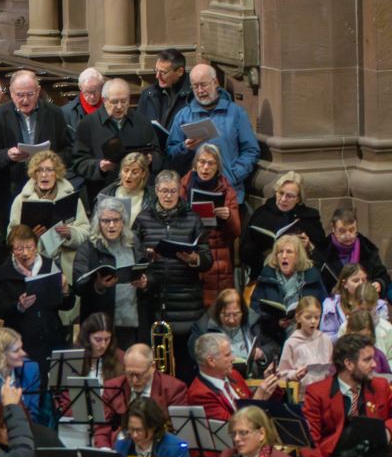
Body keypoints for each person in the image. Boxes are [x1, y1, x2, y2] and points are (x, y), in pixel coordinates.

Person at [302, 333, 392, 457]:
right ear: (349, 363)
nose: (375, 365)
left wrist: (387, 430)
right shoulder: (318, 392)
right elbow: (309, 439)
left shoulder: (380, 386)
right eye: (367, 360)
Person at [134, 168, 212, 374]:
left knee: (185, 363)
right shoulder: (143, 220)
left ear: (180, 192)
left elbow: (207, 258)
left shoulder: (192, 219)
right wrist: (148, 257)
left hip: (186, 298)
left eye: (173, 191)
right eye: (164, 191)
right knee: (158, 366)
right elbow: (134, 256)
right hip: (155, 299)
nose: (168, 196)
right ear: (156, 191)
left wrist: (194, 259)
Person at [7, 149, 91, 328]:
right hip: (35, 268)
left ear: (57, 173)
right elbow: (10, 237)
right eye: (40, 170)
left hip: (65, 267)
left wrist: (70, 233)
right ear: (33, 173)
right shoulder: (21, 200)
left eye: (50, 170)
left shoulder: (71, 197)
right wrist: (30, 237)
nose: (44, 175)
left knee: (65, 322)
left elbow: (86, 233)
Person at [0, 70, 71, 228]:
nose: (24, 100)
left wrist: (52, 161)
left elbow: (68, 150)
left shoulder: (54, 114)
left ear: (38, 91)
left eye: (30, 94)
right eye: (19, 95)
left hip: (47, 187)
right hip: (10, 187)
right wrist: (7, 155)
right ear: (10, 93)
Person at [165, 64, 260, 194]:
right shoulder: (183, 115)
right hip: (193, 190)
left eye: (203, 84)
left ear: (215, 82)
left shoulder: (236, 113)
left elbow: (250, 150)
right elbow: (170, 153)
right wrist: (184, 148)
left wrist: (234, 175)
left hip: (228, 191)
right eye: (195, 86)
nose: (200, 90)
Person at [0, 224, 74, 373]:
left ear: (36, 246)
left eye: (29, 247)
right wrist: (18, 306)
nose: (25, 253)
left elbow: (67, 305)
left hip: (50, 335)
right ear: (12, 249)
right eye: (19, 249)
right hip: (20, 340)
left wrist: (65, 290)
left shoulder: (50, 265)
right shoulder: (3, 273)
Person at [73, 197, 151, 346]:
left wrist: (145, 282)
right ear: (98, 222)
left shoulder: (134, 243)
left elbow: (151, 273)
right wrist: (98, 286)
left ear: (123, 221)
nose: (111, 225)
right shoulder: (88, 248)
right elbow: (78, 285)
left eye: (116, 220)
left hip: (133, 321)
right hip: (101, 325)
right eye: (106, 221)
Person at [73, 78, 162, 202]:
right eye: (114, 102)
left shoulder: (141, 121)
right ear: (104, 100)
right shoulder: (88, 124)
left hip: (138, 194)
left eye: (124, 101)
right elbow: (78, 163)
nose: (119, 106)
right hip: (103, 194)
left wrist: (150, 160)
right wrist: (99, 167)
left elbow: (158, 153)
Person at [240, 170, 329, 283]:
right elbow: (245, 250)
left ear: (299, 199)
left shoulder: (309, 218)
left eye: (290, 196)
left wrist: (309, 246)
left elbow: (323, 254)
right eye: (280, 193)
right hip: (265, 272)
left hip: (300, 276)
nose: (283, 199)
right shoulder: (262, 214)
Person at [179, 143, 240, 306]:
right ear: (195, 164)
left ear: (218, 167)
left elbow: (236, 231)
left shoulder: (227, 190)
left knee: (216, 308)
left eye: (211, 163)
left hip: (217, 252)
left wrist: (228, 216)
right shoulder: (183, 186)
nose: (205, 167)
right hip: (190, 250)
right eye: (202, 162)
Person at [95, 343, 188, 449]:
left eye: (139, 375)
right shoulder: (112, 388)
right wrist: (105, 449)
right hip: (118, 450)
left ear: (152, 367)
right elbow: (101, 428)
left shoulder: (173, 388)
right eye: (130, 374)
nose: (134, 380)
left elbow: (179, 433)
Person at [187, 330, 281, 425]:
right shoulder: (200, 394)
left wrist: (271, 383)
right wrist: (258, 399)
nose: (234, 358)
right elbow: (231, 429)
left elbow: (260, 404)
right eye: (228, 355)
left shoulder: (233, 375)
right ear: (211, 361)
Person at [251, 234, 329, 344]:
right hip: (272, 335)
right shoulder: (266, 278)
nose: (284, 256)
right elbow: (254, 311)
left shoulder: (312, 277)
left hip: (308, 334)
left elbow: (325, 307)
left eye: (289, 252)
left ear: (298, 256)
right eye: (280, 252)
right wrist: (276, 323)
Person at [186, 287, 278, 379]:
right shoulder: (203, 328)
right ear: (218, 312)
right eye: (226, 315)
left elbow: (273, 346)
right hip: (219, 378)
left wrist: (262, 353)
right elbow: (197, 354)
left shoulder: (254, 322)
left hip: (252, 378)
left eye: (236, 314)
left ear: (242, 312)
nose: (231, 319)